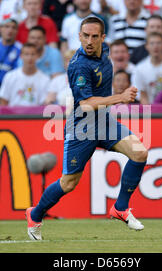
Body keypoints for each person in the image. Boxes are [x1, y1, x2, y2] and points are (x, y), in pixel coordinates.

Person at [26, 17, 148, 241]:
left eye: (94, 36)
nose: (89, 41)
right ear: (79, 36)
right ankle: (35, 214)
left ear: (103, 38)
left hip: (104, 122)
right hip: (82, 128)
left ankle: (120, 208)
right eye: (85, 36)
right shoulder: (79, 65)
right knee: (68, 183)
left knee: (140, 153)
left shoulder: (104, 51)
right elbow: (85, 104)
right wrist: (120, 97)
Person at [132, 32, 162, 104]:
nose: (155, 46)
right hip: (150, 109)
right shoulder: (139, 68)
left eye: (158, 43)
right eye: (152, 43)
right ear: (146, 46)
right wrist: (150, 113)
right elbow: (141, 94)